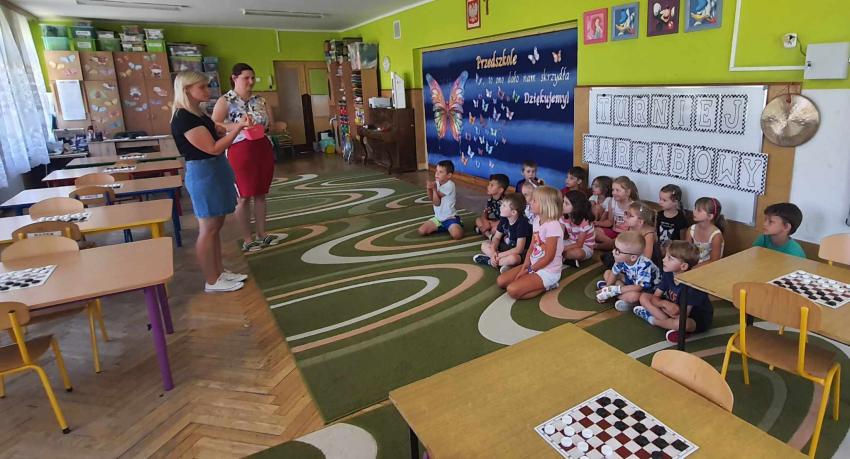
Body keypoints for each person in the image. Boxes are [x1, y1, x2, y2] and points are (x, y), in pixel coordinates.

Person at [171, 71, 251, 292]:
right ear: (187, 89)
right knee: (208, 228)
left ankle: (219, 272)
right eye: (202, 87)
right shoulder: (183, 117)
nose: (208, 90)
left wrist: (227, 128)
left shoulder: (197, 113)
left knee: (216, 226)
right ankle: (212, 280)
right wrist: (237, 129)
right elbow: (212, 148)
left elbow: (215, 133)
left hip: (214, 170)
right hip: (204, 173)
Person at [212, 63, 282, 252]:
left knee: (261, 193)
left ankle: (262, 234)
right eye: (246, 78)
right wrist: (239, 126)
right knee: (243, 196)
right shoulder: (225, 100)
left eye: (253, 78)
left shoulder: (261, 100)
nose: (251, 82)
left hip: (262, 147)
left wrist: (269, 127)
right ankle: (247, 238)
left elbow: (270, 124)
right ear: (234, 78)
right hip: (239, 149)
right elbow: (215, 125)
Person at [635, 241, 713, 343]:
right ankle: (673, 327)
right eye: (665, 256)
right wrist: (664, 303)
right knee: (644, 297)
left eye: (669, 258)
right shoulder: (669, 273)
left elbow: (682, 316)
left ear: (683, 266)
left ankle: (653, 320)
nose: (663, 260)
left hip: (693, 319)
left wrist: (667, 309)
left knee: (681, 323)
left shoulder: (693, 286)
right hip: (672, 309)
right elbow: (655, 297)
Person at [497, 186, 564, 299]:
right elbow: (532, 246)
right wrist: (525, 266)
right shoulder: (537, 220)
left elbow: (549, 257)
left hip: (548, 271)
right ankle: (533, 282)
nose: (530, 203)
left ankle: (548, 285)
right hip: (533, 265)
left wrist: (529, 270)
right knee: (501, 281)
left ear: (545, 205)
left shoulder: (553, 226)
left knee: (512, 290)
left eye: (534, 201)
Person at [596, 230, 660, 312]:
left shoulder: (644, 265)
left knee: (634, 296)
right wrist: (607, 289)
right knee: (607, 273)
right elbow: (614, 273)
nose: (613, 252)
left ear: (632, 257)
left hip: (647, 290)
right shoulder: (621, 260)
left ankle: (628, 301)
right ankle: (619, 295)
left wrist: (614, 291)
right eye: (615, 248)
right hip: (632, 281)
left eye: (618, 251)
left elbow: (638, 287)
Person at [474, 193, 531, 273]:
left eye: (504, 206)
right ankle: (502, 263)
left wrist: (499, 255)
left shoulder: (522, 223)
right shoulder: (504, 219)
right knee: (484, 245)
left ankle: (490, 261)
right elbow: (496, 238)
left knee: (513, 259)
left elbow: (519, 249)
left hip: (520, 252)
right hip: (506, 248)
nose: (500, 207)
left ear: (513, 212)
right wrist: (494, 252)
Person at [419, 160, 463, 240]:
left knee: (457, 235)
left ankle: (456, 224)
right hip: (438, 219)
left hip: (450, 218)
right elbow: (431, 199)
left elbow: (437, 203)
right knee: (422, 231)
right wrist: (428, 188)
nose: (437, 173)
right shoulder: (437, 183)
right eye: (437, 171)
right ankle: (444, 227)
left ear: (449, 175)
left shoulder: (450, 185)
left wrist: (434, 189)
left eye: (441, 172)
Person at [595, 176, 638, 250]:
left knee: (623, 241)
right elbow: (610, 222)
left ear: (628, 192)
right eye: (613, 190)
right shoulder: (612, 202)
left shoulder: (633, 206)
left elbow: (633, 228)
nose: (614, 193)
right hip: (613, 232)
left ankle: (599, 246)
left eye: (618, 190)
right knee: (594, 231)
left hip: (626, 235)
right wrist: (596, 223)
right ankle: (612, 244)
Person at [685, 197, 726, 265]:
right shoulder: (691, 229)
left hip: (711, 266)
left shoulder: (716, 235)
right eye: (695, 208)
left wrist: (694, 268)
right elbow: (686, 252)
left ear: (710, 216)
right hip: (693, 264)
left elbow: (714, 260)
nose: (694, 212)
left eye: (698, 210)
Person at [561, 190, 595, 267]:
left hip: (585, 247)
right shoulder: (563, 217)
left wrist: (561, 249)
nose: (563, 205)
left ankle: (561, 257)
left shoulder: (585, 221)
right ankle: (565, 258)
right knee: (550, 244)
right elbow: (560, 236)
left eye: (566, 203)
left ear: (576, 207)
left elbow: (579, 244)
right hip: (570, 242)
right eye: (563, 202)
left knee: (577, 253)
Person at [474, 173, 509, 238]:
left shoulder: (505, 202)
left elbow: (506, 219)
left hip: (504, 222)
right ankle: (489, 235)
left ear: (500, 190)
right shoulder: (490, 200)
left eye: (491, 185)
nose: (488, 187)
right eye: (489, 184)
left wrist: (491, 224)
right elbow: (486, 213)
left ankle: (483, 231)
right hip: (494, 221)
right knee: (478, 220)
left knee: (494, 229)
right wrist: (486, 221)